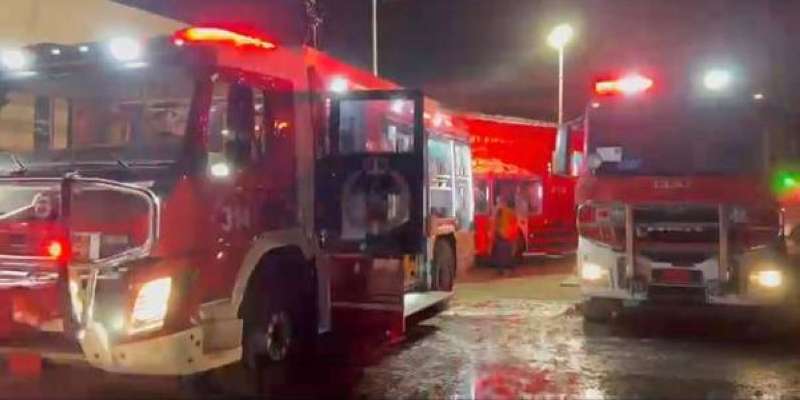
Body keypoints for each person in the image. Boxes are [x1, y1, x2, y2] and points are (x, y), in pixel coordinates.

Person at [491, 190, 519, 274]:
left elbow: (496, 223)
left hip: (502, 234)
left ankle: (502, 269)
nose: (498, 203)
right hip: (506, 235)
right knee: (507, 252)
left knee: (501, 253)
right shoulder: (507, 211)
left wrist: (494, 233)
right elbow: (514, 221)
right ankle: (510, 267)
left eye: (499, 201)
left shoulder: (501, 210)